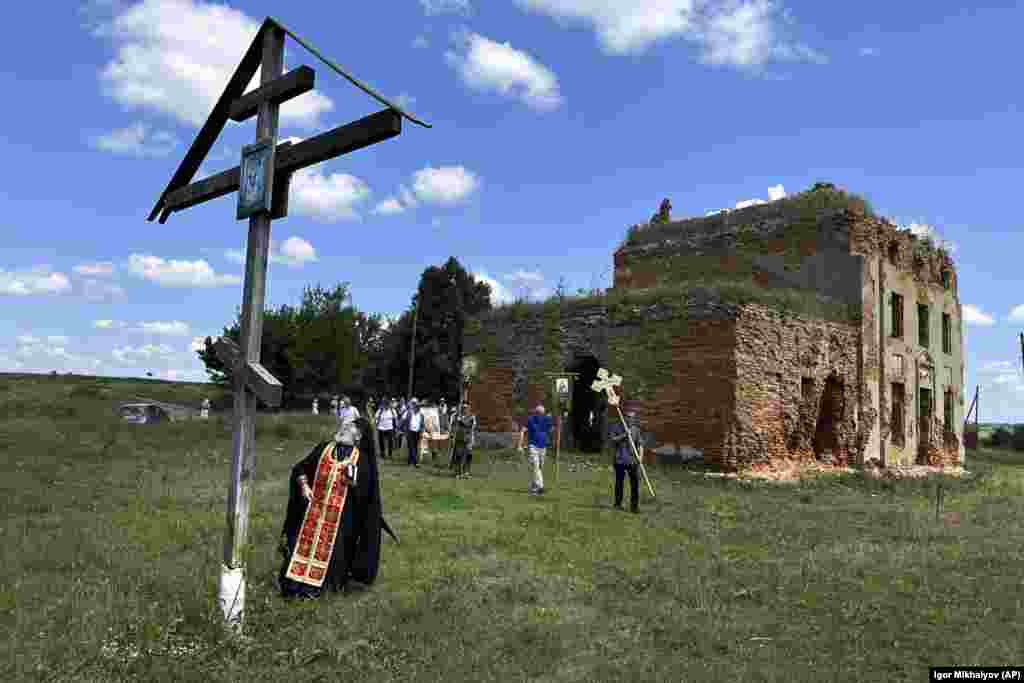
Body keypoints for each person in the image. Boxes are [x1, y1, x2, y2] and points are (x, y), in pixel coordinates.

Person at [277, 417, 398, 599]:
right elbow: (300, 468)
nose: (343, 428)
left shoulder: (362, 461)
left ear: (358, 436)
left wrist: (354, 484)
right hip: (312, 516)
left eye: (348, 427)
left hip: (339, 524)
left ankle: (321, 589)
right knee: (301, 548)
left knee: (334, 556)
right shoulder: (324, 449)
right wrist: (304, 486)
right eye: (343, 426)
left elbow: (366, 499)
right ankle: (294, 586)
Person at [609, 410, 644, 513]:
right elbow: (613, 440)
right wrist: (624, 435)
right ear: (624, 417)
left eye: (632, 417)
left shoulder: (636, 430)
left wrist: (640, 458)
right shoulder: (617, 427)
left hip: (632, 461)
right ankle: (617, 504)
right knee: (619, 483)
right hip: (619, 460)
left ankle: (634, 507)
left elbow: (640, 444)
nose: (630, 419)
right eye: (628, 417)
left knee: (635, 484)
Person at [519, 404, 553, 495]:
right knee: (536, 466)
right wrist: (520, 444)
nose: (540, 415)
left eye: (542, 413)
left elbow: (551, 429)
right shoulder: (530, 420)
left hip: (543, 446)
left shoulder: (547, 419)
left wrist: (557, 421)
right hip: (533, 446)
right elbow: (523, 431)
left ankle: (534, 485)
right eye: (538, 413)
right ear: (535, 412)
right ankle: (540, 487)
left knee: (539, 467)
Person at [452, 402, 477, 479]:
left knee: (468, 456)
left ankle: (466, 472)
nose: (464, 409)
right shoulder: (457, 416)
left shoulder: (472, 417)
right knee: (458, 455)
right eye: (463, 408)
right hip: (459, 439)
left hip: (468, 439)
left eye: (466, 408)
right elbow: (454, 426)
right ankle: (458, 472)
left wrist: (461, 421)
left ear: (469, 408)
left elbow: (471, 426)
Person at [405, 399, 423, 467]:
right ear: (414, 407)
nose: (418, 408)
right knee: (412, 446)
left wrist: (422, 431)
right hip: (410, 432)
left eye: (419, 407)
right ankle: (415, 462)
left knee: (414, 447)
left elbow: (422, 424)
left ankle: (410, 461)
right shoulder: (409, 413)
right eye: (417, 407)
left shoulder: (421, 415)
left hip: (417, 432)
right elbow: (406, 422)